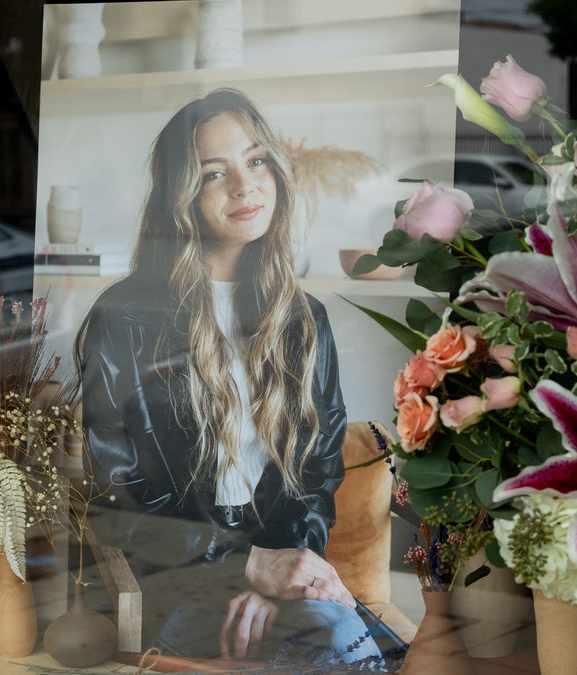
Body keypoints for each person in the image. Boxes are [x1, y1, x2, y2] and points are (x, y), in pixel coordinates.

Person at [77, 88, 383, 668]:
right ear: (181, 198)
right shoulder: (123, 319)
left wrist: (279, 568)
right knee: (342, 639)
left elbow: (317, 470)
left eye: (257, 160)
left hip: (278, 554)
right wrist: (244, 565)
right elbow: (117, 497)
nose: (245, 187)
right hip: (171, 574)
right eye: (214, 174)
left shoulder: (302, 318)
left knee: (335, 635)